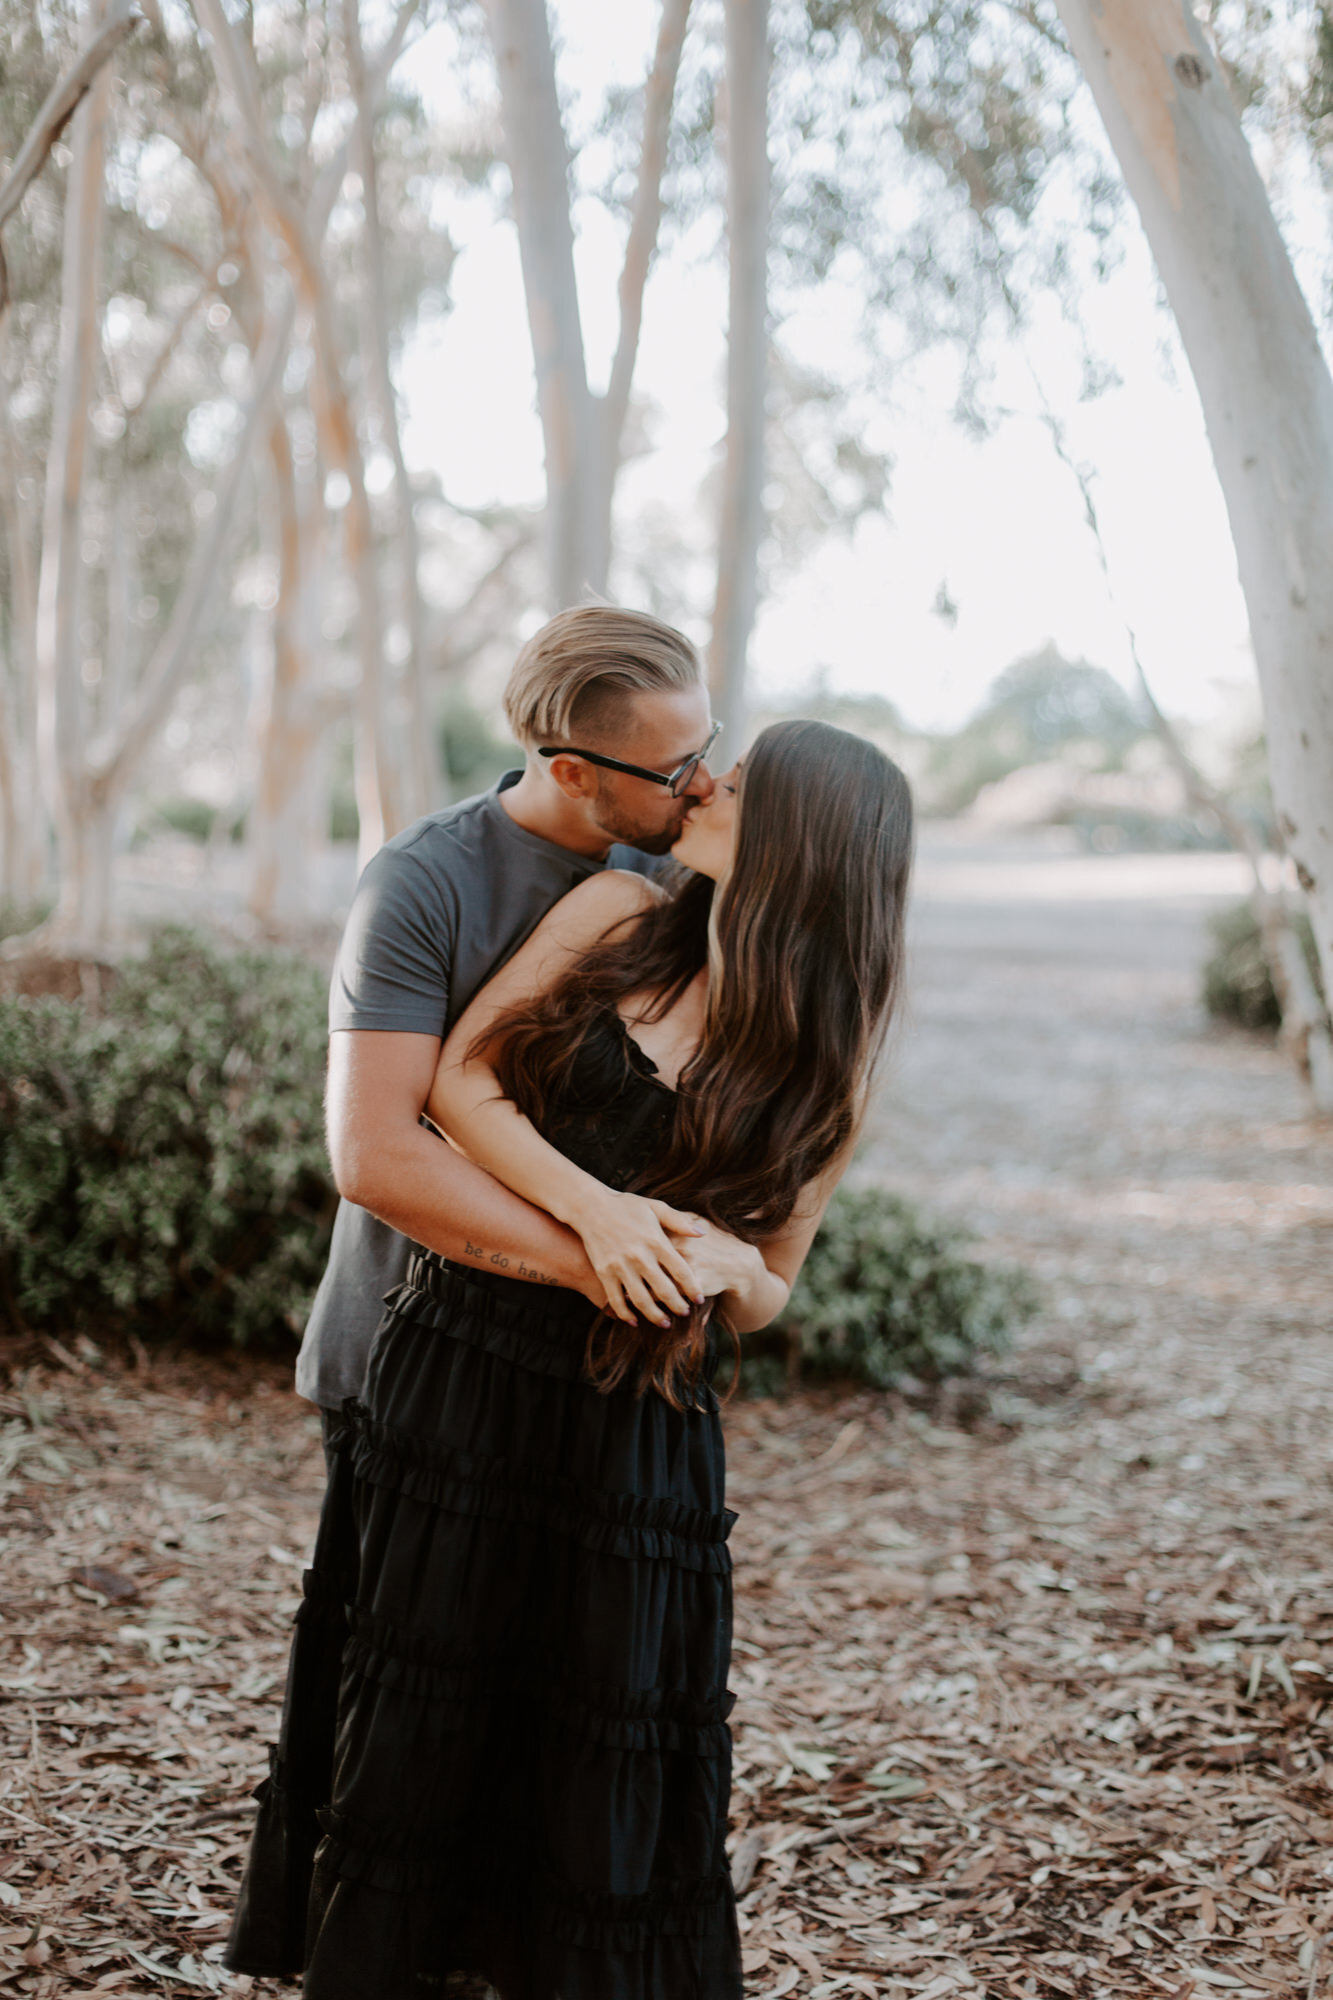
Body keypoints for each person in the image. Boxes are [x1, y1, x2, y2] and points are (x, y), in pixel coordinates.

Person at [225, 718, 914, 2000]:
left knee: (594, 1719)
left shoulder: (830, 1059)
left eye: (740, 782)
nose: (702, 781)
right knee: (429, 1689)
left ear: (801, 843)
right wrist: (591, 1216)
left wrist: (726, 1270)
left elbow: (769, 1287)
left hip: (638, 1424)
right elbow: (463, 1086)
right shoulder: (612, 913)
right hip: (462, 1365)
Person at [294, 603, 733, 1431]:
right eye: (675, 769)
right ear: (572, 772)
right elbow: (375, 1153)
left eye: (706, 749)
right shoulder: (420, 883)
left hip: (591, 1385)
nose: (702, 785)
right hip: (404, 1357)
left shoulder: (686, 868)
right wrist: (595, 1247)